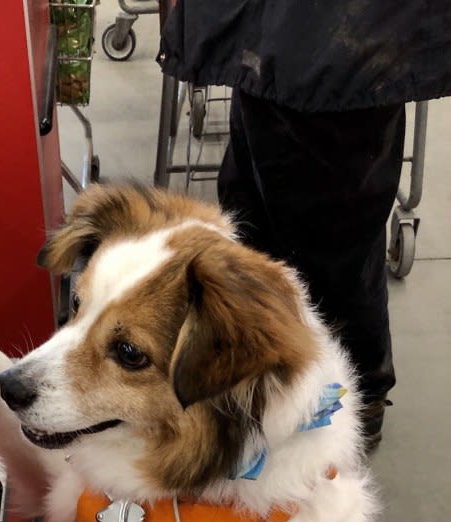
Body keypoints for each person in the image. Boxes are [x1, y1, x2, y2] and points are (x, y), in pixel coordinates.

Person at [158, 2, 451, 447]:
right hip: (289, 39)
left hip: (331, 38)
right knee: (252, 205)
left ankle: (344, 392)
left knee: (331, 231)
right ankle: (274, 374)